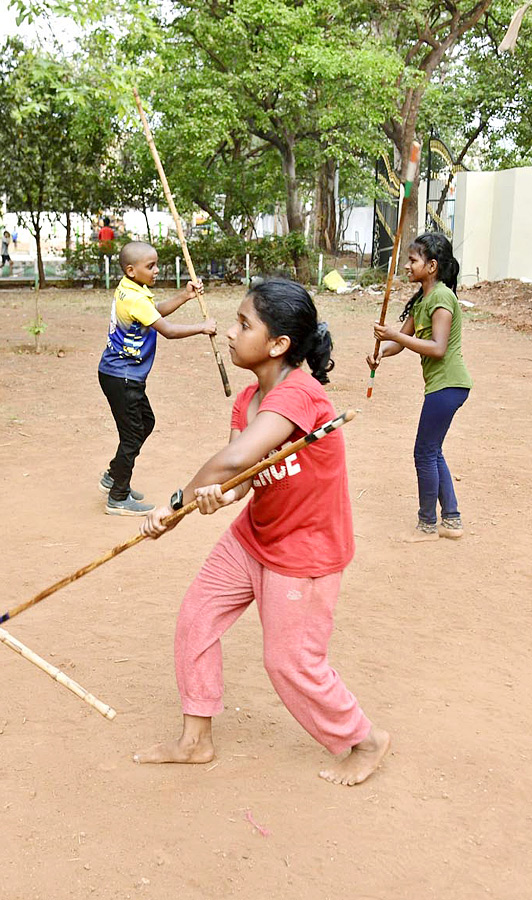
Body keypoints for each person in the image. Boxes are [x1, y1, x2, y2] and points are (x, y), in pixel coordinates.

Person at [134, 277, 390, 786]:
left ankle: (364, 739)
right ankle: (195, 740)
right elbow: (238, 479)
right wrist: (217, 497)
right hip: (254, 536)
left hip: (305, 554)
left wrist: (177, 504)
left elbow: (232, 458)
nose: (230, 333)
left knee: (289, 662)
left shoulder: (300, 395)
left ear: (279, 345)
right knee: (197, 617)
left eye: (243, 324)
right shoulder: (248, 398)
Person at [367, 232, 471, 542]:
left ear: (433, 266)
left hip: (449, 384)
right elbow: (399, 343)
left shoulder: (442, 297)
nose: (407, 266)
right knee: (432, 451)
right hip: (442, 386)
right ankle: (451, 520)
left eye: (413, 260)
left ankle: (427, 524)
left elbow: (437, 348)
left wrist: (393, 337)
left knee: (424, 452)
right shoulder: (422, 300)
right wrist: (380, 353)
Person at [98, 241, 214, 515]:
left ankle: (115, 476)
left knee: (145, 423)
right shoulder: (136, 297)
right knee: (132, 434)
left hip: (121, 374)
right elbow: (168, 330)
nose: (156, 271)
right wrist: (202, 327)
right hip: (123, 377)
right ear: (131, 269)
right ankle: (117, 496)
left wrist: (184, 296)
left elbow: (155, 312)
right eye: (150, 266)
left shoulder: (131, 289)